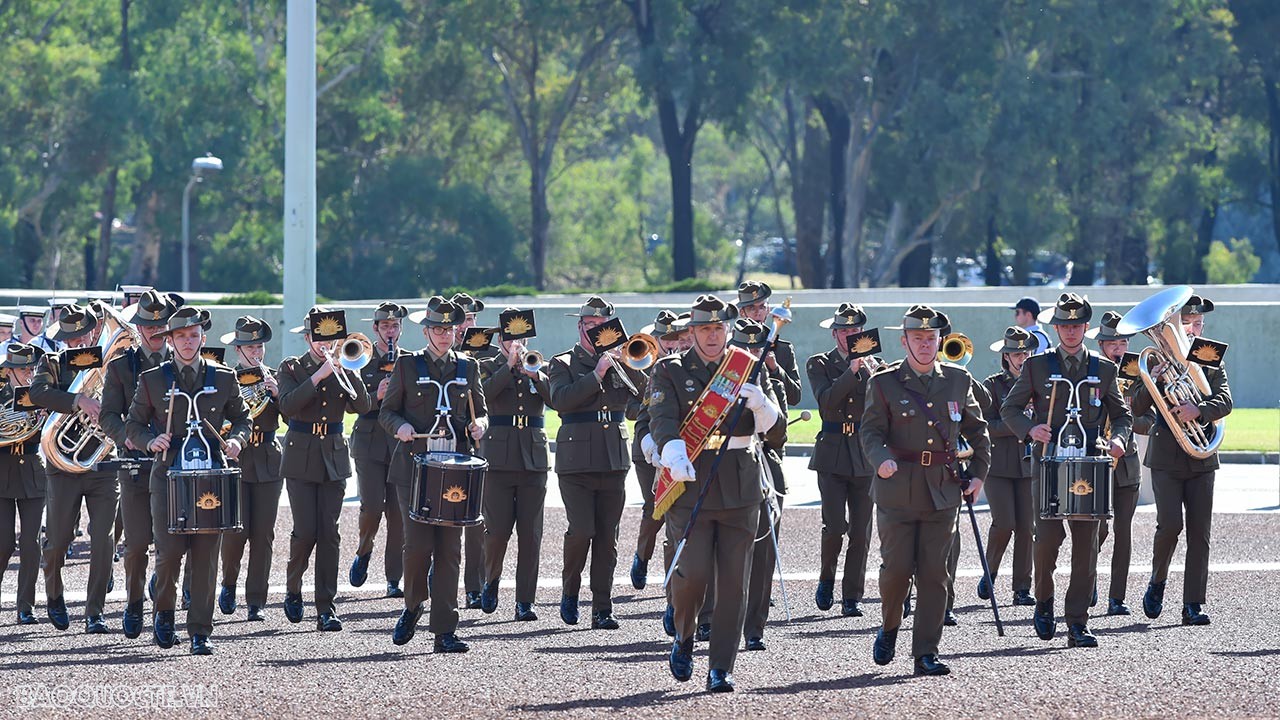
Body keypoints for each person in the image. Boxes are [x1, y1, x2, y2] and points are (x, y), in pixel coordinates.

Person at [650, 295, 784, 692]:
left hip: (741, 485)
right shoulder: (670, 370)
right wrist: (673, 453)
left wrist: (762, 407)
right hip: (691, 482)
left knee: (733, 583)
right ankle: (685, 635)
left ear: (728, 329)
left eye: (718, 328)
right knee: (692, 575)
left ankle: (721, 667)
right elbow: (661, 419)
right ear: (691, 332)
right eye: (704, 328)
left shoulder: (746, 367)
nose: (712, 335)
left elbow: (776, 431)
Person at [861, 304, 990, 677]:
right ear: (904, 341)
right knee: (897, 571)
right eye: (917, 338)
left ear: (939, 341)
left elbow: (979, 432)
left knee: (935, 574)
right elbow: (871, 431)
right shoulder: (883, 382)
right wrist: (880, 459)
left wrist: (979, 475)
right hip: (896, 490)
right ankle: (889, 627)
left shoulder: (957, 380)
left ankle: (925, 653)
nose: (924, 345)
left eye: (930, 338)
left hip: (942, 490)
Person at [1001, 293, 1131, 648]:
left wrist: (1118, 439)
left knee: (1087, 545)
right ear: (1056, 327)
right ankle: (1043, 601)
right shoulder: (1036, 366)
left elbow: (1121, 416)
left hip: (1089, 465)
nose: (1071, 331)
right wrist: (1030, 429)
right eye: (1065, 325)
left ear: (1086, 328)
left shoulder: (1104, 369)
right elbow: (1009, 408)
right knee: (1046, 541)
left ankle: (1077, 621)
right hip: (1047, 463)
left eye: (1077, 325)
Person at [125, 306, 251, 655]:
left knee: (206, 555)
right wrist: (150, 441)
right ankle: (163, 616)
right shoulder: (153, 379)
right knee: (169, 554)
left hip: (210, 476)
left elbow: (243, 419)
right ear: (170, 340)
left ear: (202, 338)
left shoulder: (224, 377)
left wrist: (237, 440)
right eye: (180, 336)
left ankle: (200, 630)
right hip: (168, 477)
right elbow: (132, 424)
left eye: (193, 335)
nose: (187, 342)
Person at [383, 296, 488, 652]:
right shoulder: (407, 366)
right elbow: (387, 412)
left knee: (449, 551)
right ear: (427, 330)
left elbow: (481, 411)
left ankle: (444, 629)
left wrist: (480, 426)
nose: (444, 335)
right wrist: (400, 427)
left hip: (455, 470)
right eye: (438, 329)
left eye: (449, 329)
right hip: (414, 469)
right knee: (416, 549)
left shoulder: (468, 367)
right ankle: (413, 605)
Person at [547, 296, 647, 629]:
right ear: (580, 327)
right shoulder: (562, 363)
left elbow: (638, 405)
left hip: (612, 460)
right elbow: (561, 401)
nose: (595, 332)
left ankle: (603, 608)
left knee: (607, 537)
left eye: (602, 327)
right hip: (576, 461)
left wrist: (631, 365)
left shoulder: (621, 361)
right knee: (582, 531)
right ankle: (570, 591)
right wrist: (598, 373)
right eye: (590, 326)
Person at [1136, 294, 1232, 626]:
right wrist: (1154, 380)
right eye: (1187, 323)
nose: (1192, 329)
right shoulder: (1152, 357)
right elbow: (1135, 409)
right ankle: (1157, 582)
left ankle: (1193, 604)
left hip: (1201, 453)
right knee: (1170, 526)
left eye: (1197, 323)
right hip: (1166, 456)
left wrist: (1199, 411)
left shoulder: (1208, 353)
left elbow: (1225, 400)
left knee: (1199, 533)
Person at [277, 307, 374, 632]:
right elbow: (287, 407)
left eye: (331, 339)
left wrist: (351, 371)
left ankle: (326, 607)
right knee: (305, 531)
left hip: (333, 456)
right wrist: (318, 375)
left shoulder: (345, 366)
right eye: (319, 338)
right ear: (307, 338)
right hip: (300, 455)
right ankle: (293, 587)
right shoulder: (291, 367)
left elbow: (362, 407)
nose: (325, 344)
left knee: (329, 533)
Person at [29, 304, 120, 634]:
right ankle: (54, 594)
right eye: (71, 337)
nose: (78, 341)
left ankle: (94, 611)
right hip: (62, 463)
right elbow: (37, 392)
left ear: (95, 331)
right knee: (56, 540)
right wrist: (78, 401)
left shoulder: (114, 365)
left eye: (84, 334)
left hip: (103, 463)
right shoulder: (52, 362)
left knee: (103, 540)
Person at [100, 289, 178, 638]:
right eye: (149, 325)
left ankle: (163, 609)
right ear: (140, 328)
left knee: (170, 543)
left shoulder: (183, 365)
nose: (156, 331)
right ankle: (133, 603)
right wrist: (126, 437)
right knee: (135, 544)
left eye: (162, 325)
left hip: (173, 464)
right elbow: (108, 416)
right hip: (134, 463)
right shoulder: (120, 366)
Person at [477, 312, 552, 620]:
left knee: (531, 534)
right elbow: (484, 395)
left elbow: (556, 400)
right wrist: (509, 367)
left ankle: (525, 601)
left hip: (533, 458)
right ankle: (491, 580)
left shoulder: (539, 366)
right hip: (498, 457)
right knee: (496, 532)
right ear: (500, 340)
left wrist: (536, 376)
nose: (515, 344)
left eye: (520, 339)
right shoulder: (486, 367)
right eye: (510, 339)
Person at [806, 303, 877, 618]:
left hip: (864, 454)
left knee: (861, 531)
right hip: (833, 453)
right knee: (835, 526)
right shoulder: (819, 363)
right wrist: (851, 370)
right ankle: (826, 577)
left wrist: (871, 370)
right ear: (835, 333)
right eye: (845, 331)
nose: (850, 336)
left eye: (855, 331)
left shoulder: (877, 365)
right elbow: (827, 402)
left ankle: (852, 596)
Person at [217, 316, 283, 621]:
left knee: (263, 533)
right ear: (238, 348)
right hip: (237, 458)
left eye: (259, 346)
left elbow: (293, 415)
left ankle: (256, 599)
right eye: (249, 346)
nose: (256, 352)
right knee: (235, 531)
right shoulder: (226, 378)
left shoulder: (276, 376)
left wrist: (279, 394)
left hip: (269, 456)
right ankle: (229, 583)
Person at [1085, 311, 1147, 616]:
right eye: (1112, 343)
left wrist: (1149, 388)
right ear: (1101, 344)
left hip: (1126, 459)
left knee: (1123, 531)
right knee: (1097, 530)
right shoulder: (1091, 371)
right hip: (1097, 458)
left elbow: (1148, 418)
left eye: (1123, 342)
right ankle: (1089, 581)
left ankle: (1117, 597)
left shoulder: (1138, 374)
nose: (1119, 348)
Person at [976, 327, 1039, 607]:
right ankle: (989, 572)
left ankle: (1022, 588)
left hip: (1028, 465)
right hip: (998, 465)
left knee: (1027, 527)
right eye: (1016, 353)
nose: (1022, 357)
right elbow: (983, 426)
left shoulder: (1040, 384)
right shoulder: (992, 385)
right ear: (1006, 356)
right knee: (1005, 523)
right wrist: (1018, 426)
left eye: (1025, 352)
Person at [350, 302, 409, 599]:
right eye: (384, 326)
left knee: (397, 513)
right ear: (375, 329)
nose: (390, 331)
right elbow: (353, 405)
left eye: (395, 326)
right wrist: (377, 396)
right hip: (369, 440)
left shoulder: (409, 361)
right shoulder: (360, 358)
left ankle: (393, 578)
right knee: (372, 507)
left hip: (399, 443)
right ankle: (363, 550)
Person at [629, 309, 685, 590]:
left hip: (678, 445)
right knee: (655, 507)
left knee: (677, 511)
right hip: (647, 447)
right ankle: (642, 556)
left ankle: (676, 573)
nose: (671, 343)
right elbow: (633, 408)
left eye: (674, 338)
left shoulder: (684, 363)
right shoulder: (644, 362)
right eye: (665, 337)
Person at [451, 292, 497, 609]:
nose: (470, 325)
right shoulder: (438, 356)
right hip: (447, 444)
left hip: (479, 444)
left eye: (473, 319)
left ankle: (474, 585)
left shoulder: (491, 356)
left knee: (477, 522)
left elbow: (491, 397)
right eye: (464, 320)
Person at [0, 343, 46, 626]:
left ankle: (25, 607)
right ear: (9, 370)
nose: (28, 374)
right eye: (22, 369)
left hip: (31, 470)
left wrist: (47, 417)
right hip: (1, 471)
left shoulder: (41, 393)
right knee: (3, 543)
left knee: (32, 543)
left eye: (31, 368)